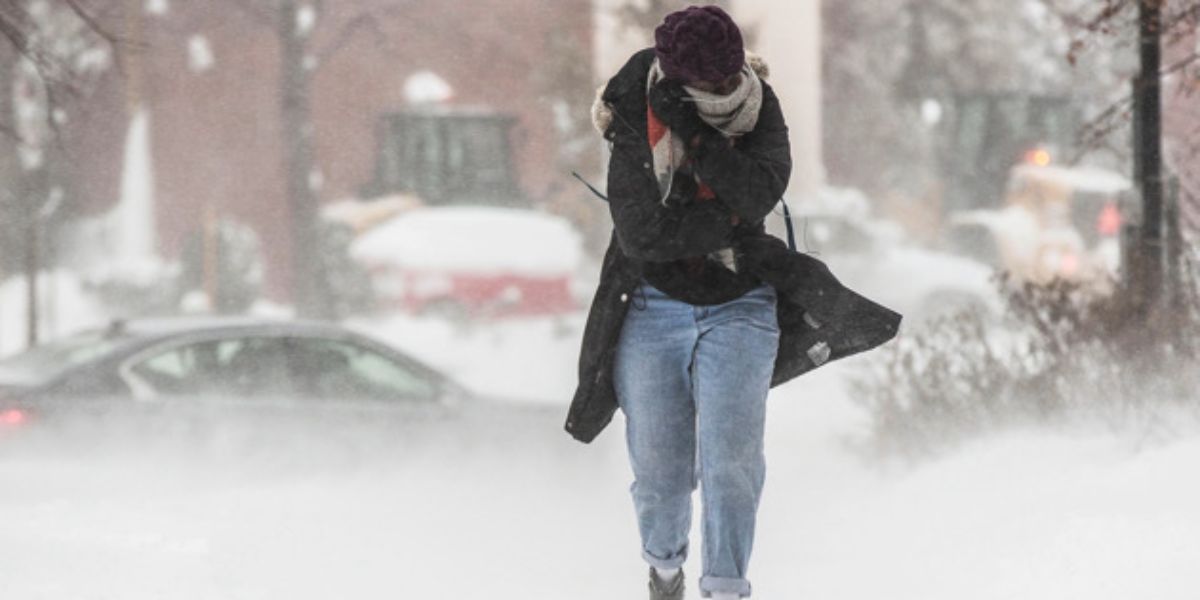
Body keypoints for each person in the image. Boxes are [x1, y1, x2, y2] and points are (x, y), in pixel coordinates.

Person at [565, 6, 902, 600]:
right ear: (675, 77)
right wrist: (731, 224)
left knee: (731, 468)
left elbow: (758, 191)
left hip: (742, 303)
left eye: (729, 79)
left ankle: (726, 588)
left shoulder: (759, 104)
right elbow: (644, 235)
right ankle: (664, 571)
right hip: (650, 303)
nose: (724, 91)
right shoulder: (632, 107)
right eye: (710, 85)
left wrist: (695, 135)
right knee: (662, 479)